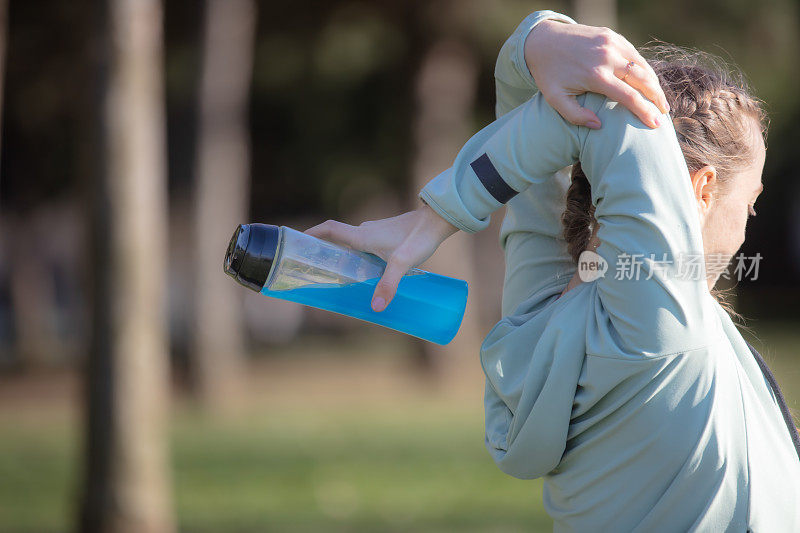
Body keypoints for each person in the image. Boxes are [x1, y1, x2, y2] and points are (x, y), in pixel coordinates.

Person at [304, 10, 800, 531]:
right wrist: (539, 38)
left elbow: (551, 114)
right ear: (700, 191)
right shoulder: (662, 325)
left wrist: (537, 38)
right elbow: (611, 112)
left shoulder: (542, 315)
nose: (748, 225)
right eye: (750, 203)